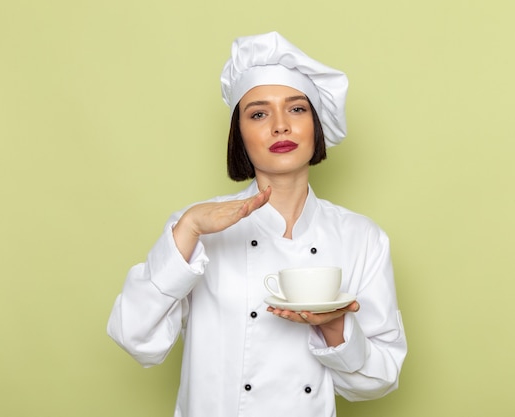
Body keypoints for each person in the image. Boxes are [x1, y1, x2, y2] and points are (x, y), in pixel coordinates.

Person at [107, 31, 407, 417]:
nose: (280, 126)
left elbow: (379, 379)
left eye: (296, 109)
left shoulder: (362, 237)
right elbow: (134, 337)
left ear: (315, 124)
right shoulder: (199, 227)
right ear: (240, 134)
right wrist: (189, 228)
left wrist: (334, 329)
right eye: (259, 113)